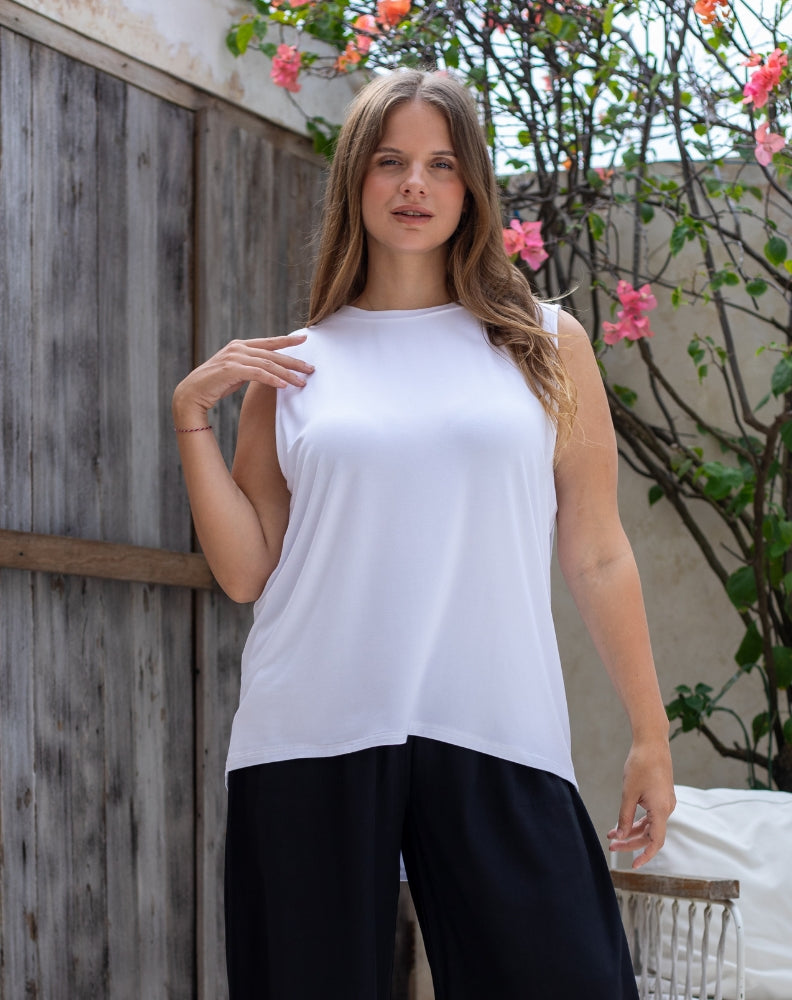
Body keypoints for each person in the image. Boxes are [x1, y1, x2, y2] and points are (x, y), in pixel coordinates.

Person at [172, 69, 675, 1000]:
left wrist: (650, 733)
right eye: (391, 161)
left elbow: (598, 549)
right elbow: (247, 573)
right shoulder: (295, 366)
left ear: (472, 185)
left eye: (442, 164)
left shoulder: (542, 343)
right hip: (313, 724)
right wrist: (190, 417)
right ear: (355, 180)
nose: (415, 184)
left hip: (495, 718)